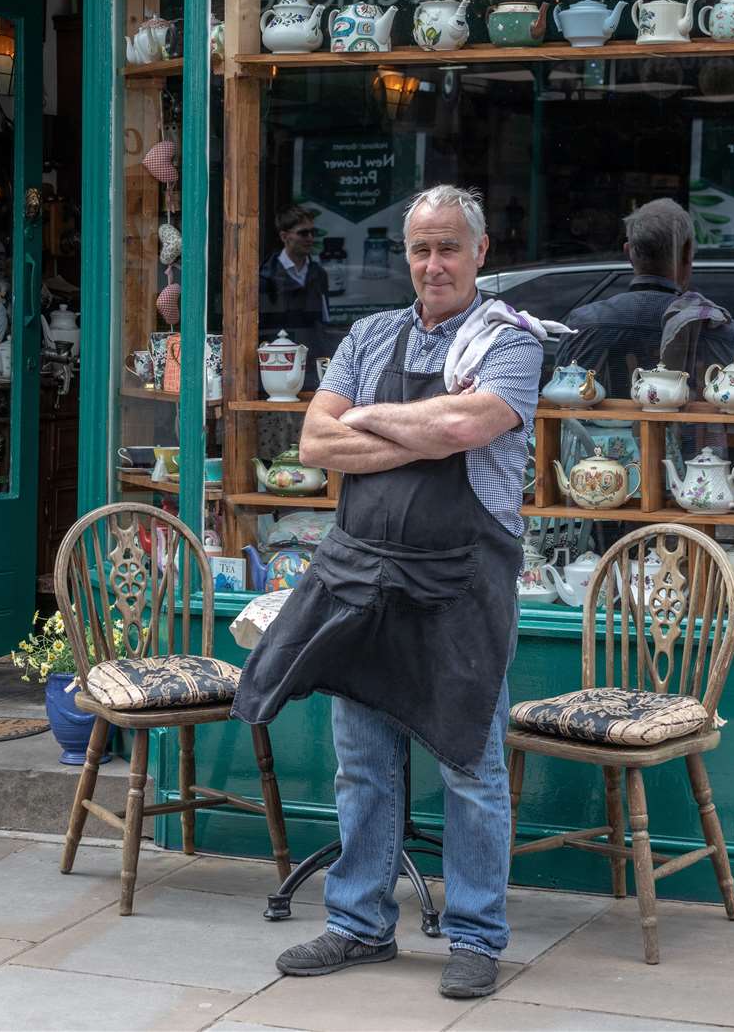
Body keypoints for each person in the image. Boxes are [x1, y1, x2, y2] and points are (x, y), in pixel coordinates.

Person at [233, 185, 545, 1001]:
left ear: (482, 253)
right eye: (420, 249)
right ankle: (359, 924)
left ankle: (476, 936)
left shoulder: (511, 343)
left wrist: (372, 420)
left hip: (460, 585)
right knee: (361, 764)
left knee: (471, 768)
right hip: (361, 576)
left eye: (449, 247)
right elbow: (313, 442)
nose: (433, 263)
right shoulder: (370, 334)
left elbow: (461, 431)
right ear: (405, 256)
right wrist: (416, 429)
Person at [552, 199, 734, 396]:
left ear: (628, 253)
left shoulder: (583, 323)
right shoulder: (716, 326)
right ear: (686, 252)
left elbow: (564, 407)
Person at [258, 204, 334, 387]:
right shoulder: (265, 275)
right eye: (303, 233)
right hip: (277, 363)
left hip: (311, 362)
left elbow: (323, 320)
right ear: (285, 236)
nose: (310, 238)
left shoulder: (319, 274)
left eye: (312, 232)